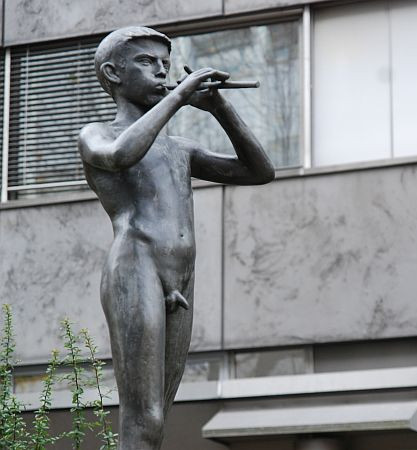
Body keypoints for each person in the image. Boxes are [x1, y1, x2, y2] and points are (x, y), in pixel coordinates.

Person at [78, 26, 274, 450]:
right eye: (146, 62)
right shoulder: (98, 134)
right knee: (143, 417)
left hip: (181, 276)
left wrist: (220, 108)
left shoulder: (180, 149)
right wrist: (179, 97)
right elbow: (120, 156)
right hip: (136, 267)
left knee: (160, 415)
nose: (161, 71)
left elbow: (259, 171)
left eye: (165, 64)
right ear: (113, 73)